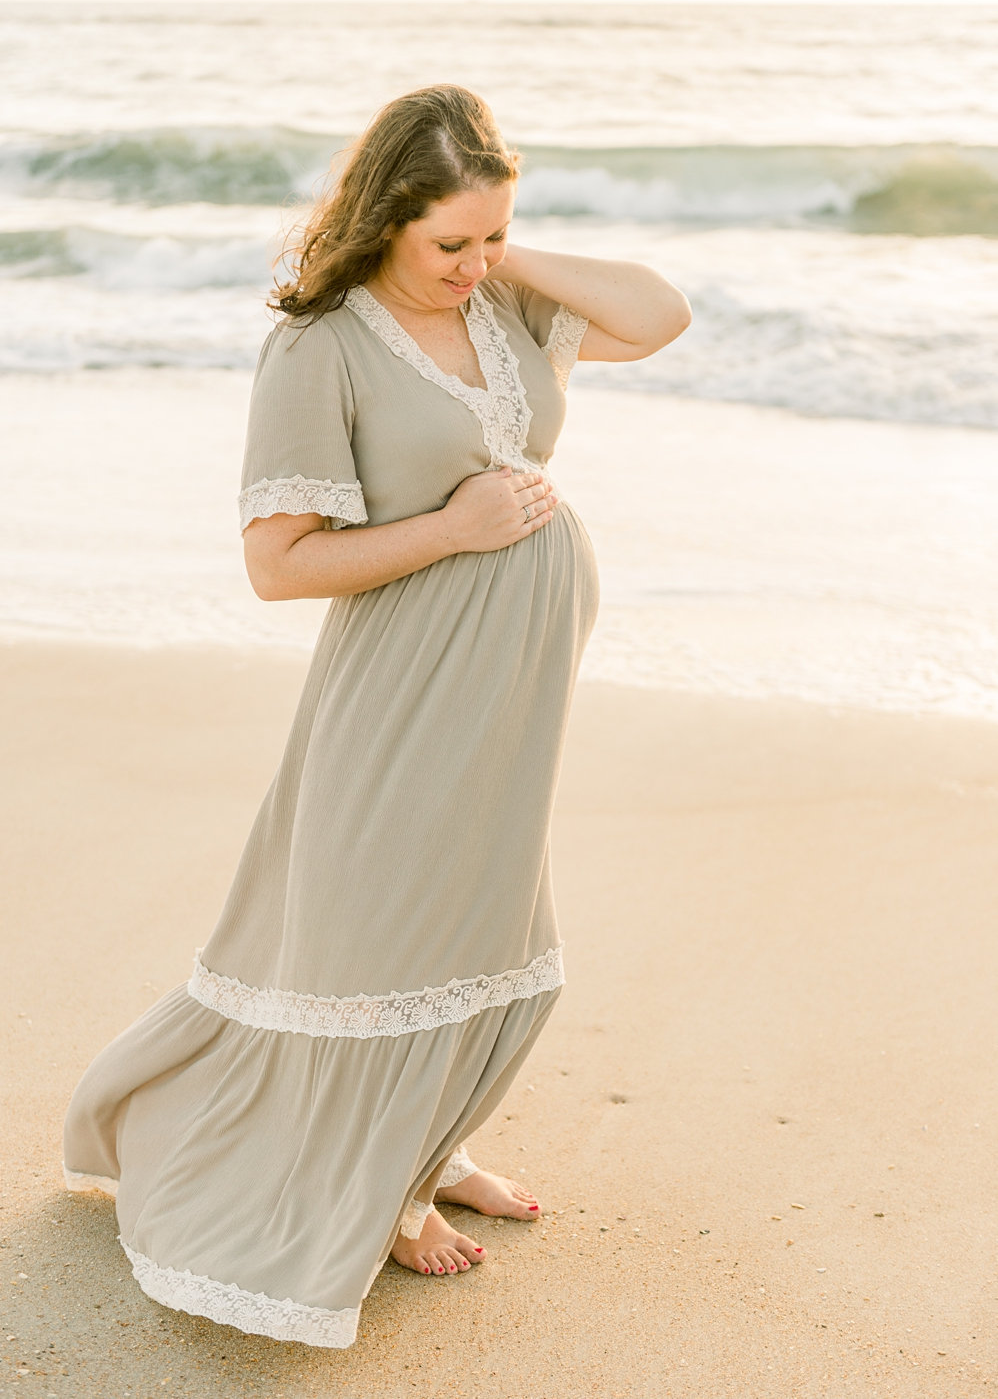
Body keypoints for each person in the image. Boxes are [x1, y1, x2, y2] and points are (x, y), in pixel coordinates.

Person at [62, 83, 691, 1348]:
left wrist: (503, 250)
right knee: (381, 924)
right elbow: (277, 562)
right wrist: (453, 529)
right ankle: (384, 1189)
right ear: (382, 216)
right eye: (447, 242)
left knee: (478, 912)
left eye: (490, 238)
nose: (471, 266)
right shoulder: (320, 343)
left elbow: (658, 314)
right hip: (405, 678)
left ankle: (433, 1142)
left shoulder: (504, 298)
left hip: (516, 677)